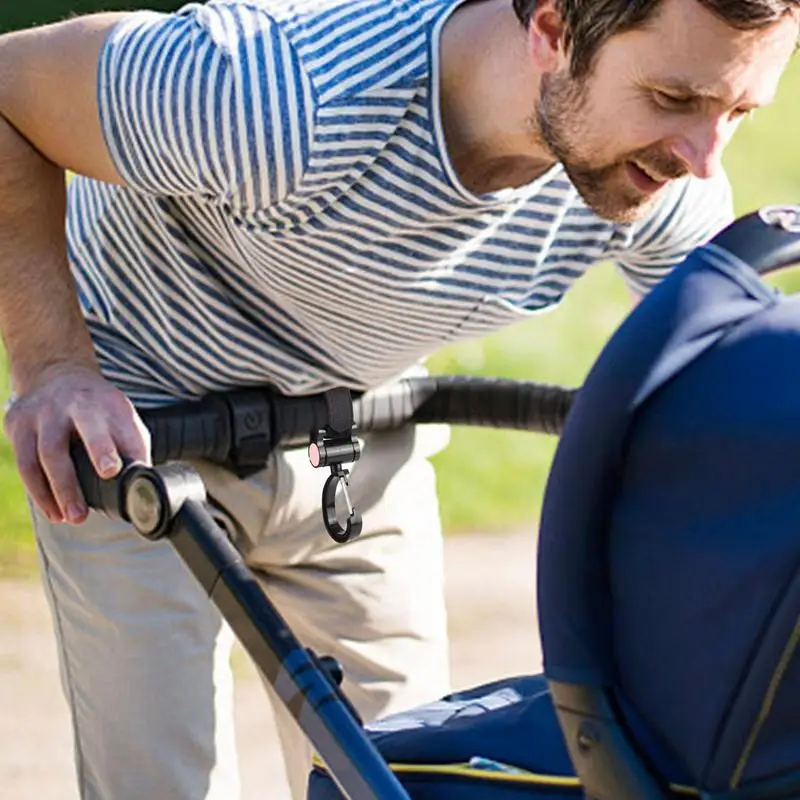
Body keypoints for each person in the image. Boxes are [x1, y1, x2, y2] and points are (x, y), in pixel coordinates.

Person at [0, 0, 796, 797]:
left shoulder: (663, 185)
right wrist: (55, 368)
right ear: (553, 30)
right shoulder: (276, 93)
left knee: (403, 775)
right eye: (672, 99)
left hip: (356, 430)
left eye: (738, 111)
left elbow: (720, 384)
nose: (703, 157)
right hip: (141, 434)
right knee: (164, 782)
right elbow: (10, 91)